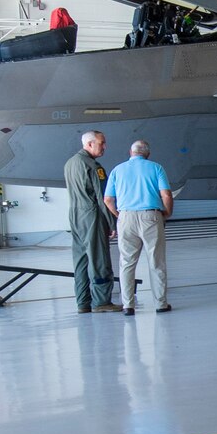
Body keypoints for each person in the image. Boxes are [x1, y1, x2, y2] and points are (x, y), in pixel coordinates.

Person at [103, 139, 174, 315]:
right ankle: (160, 304)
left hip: (126, 216)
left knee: (127, 263)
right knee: (156, 261)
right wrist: (167, 213)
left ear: (130, 152)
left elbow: (108, 199)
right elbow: (166, 194)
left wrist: (120, 215)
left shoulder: (117, 170)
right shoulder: (156, 168)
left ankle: (128, 305)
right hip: (151, 216)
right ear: (147, 154)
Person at [63, 130, 117, 313]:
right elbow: (104, 198)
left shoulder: (70, 163)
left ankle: (83, 302)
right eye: (101, 143)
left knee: (81, 261)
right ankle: (102, 301)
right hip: (92, 215)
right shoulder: (95, 167)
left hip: (75, 215)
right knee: (99, 259)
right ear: (90, 144)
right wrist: (112, 222)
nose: (104, 147)